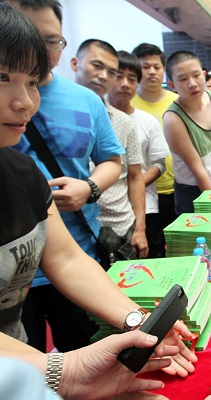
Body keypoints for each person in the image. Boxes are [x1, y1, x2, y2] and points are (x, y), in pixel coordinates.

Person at [0, 4, 197, 397]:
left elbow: (67, 259)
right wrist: (64, 369)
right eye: (3, 78)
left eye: (33, 82)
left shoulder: (23, 174)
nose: (24, 102)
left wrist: (137, 320)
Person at [9, 0, 124, 352]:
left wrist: (88, 187)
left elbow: (113, 161)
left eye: (50, 40)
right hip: (15, 280)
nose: (24, 103)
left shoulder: (86, 101)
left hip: (77, 250)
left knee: (80, 348)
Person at [71, 39, 148, 262]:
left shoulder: (124, 123)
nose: (104, 76)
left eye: (111, 72)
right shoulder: (54, 115)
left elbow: (135, 178)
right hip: (75, 230)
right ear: (75, 63)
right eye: (97, 66)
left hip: (120, 228)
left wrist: (139, 229)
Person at [107, 50, 171, 259]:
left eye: (132, 79)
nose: (125, 84)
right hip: (105, 212)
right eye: (119, 76)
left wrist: (134, 183)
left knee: (149, 258)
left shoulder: (146, 121)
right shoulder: (96, 116)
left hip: (146, 206)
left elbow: (159, 163)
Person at [162, 51, 211, 214]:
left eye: (196, 76)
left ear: (204, 75)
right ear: (172, 85)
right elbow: (198, 169)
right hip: (192, 192)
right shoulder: (173, 119)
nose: (192, 83)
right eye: (183, 79)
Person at [131, 43, 179, 255]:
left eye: (156, 67)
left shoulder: (177, 101)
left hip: (177, 186)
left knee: (180, 247)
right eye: (145, 66)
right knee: (152, 249)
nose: (151, 71)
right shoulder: (128, 103)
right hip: (143, 192)